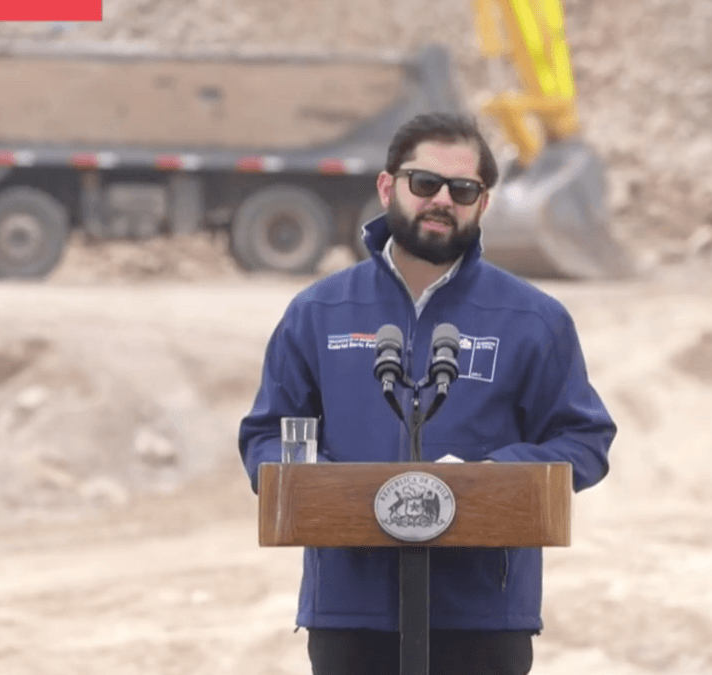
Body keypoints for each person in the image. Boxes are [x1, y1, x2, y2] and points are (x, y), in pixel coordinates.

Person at [238, 112, 616, 675]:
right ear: (388, 187)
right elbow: (268, 433)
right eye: (425, 183)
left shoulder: (534, 318)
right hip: (352, 610)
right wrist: (313, 480)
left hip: (480, 612)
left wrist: (494, 476)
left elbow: (584, 439)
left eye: (463, 189)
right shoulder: (318, 312)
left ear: (483, 203)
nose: (442, 199)